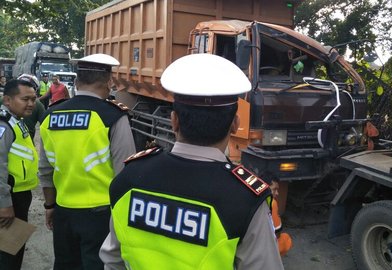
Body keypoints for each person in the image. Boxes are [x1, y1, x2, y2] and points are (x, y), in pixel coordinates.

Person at [99, 54, 283, 270]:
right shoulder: (246, 199)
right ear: (235, 124)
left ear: (174, 120)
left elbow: (113, 260)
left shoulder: (128, 178)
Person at [38, 54, 136, 270]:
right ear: (109, 82)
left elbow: (45, 169)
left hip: (63, 210)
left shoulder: (50, 116)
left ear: (76, 81)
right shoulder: (112, 116)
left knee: (65, 264)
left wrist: (50, 205)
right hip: (101, 216)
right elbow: (125, 172)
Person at [0, 79, 39, 270]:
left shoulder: (16, 120)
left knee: (14, 250)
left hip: (20, 194)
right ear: (8, 100)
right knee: (7, 254)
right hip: (10, 198)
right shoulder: (4, 125)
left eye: (34, 99)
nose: (31, 103)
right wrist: (4, 204)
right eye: (25, 99)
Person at [259, 172, 293, 256]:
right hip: (260, 245)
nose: (277, 193)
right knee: (286, 239)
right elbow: (277, 234)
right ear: (265, 187)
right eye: (274, 189)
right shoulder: (272, 203)